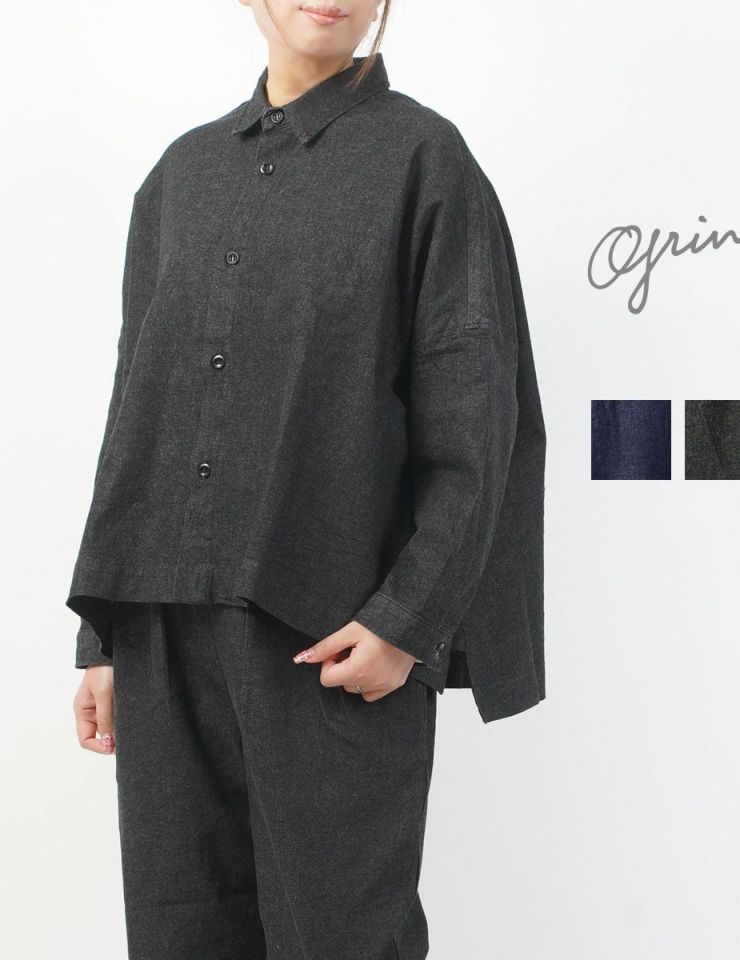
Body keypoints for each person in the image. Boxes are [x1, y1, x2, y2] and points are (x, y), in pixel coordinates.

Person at [67, 1, 547, 958]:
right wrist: (104, 635)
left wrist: (407, 622)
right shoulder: (179, 177)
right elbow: (135, 409)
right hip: (163, 630)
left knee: (343, 940)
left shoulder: (425, 162)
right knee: (179, 934)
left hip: (330, 640)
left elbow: (479, 419)